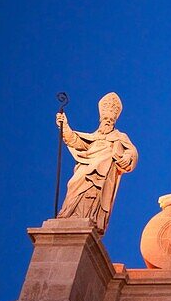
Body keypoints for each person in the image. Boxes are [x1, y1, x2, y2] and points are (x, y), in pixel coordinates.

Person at [56, 92, 138, 233]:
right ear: (100, 119)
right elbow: (74, 140)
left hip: (104, 175)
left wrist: (127, 156)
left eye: (111, 120)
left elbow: (132, 152)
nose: (108, 121)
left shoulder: (120, 137)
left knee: (94, 195)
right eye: (105, 118)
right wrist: (64, 125)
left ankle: (89, 218)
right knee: (74, 185)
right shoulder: (92, 138)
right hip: (86, 168)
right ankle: (68, 215)